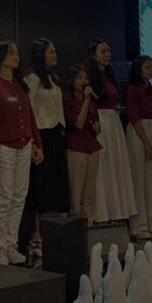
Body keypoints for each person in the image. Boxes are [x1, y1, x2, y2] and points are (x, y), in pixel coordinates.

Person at [0, 41, 43, 266]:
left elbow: (30, 116)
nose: (16, 57)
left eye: (17, 53)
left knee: (19, 197)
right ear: (0, 57)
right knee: (5, 197)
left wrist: (37, 143)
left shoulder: (19, 84)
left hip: (25, 145)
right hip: (6, 148)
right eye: (11, 53)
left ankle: (11, 244)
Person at [23, 39, 69, 250]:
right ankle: (36, 231)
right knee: (39, 185)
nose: (55, 55)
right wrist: (34, 141)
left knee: (55, 183)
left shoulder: (53, 78)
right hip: (41, 134)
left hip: (56, 134)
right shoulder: (33, 79)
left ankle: (53, 228)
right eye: (51, 52)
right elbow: (29, 109)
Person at [87, 38, 137, 223]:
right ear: (93, 55)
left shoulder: (110, 75)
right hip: (100, 121)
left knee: (115, 166)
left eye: (108, 51)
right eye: (103, 51)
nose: (107, 55)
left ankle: (115, 211)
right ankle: (101, 213)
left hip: (113, 122)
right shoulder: (89, 77)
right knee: (103, 166)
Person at [126, 55, 152, 239]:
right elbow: (134, 116)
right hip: (138, 131)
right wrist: (146, 142)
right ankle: (138, 224)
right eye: (148, 67)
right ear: (138, 69)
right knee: (138, 178)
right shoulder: (133, 90)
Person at [62, 64, 102, 224]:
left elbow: (96, 121)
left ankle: (89, 221)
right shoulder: (67, 100)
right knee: (76, 190)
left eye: (85, 78)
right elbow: (78, 123)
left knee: (90, 191)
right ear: (72, 81)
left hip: (92, 145)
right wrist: (86, 101)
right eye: (79, 78)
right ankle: (76, 224)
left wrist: (98, 127)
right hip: (76, 146)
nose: (83, 81)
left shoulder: (91, 100)